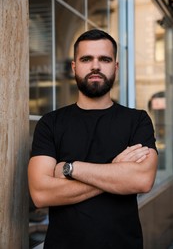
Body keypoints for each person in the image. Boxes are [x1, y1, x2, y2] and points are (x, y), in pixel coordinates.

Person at [28, 29, 158, 249]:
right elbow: (41, 193)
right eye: (86, 59)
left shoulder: (137, 120)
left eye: (104, 59)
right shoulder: (50, 123)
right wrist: (116, 171)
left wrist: (70, 168)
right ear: (74, 66)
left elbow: (142, 180)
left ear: (115, 67)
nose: (95, 66)